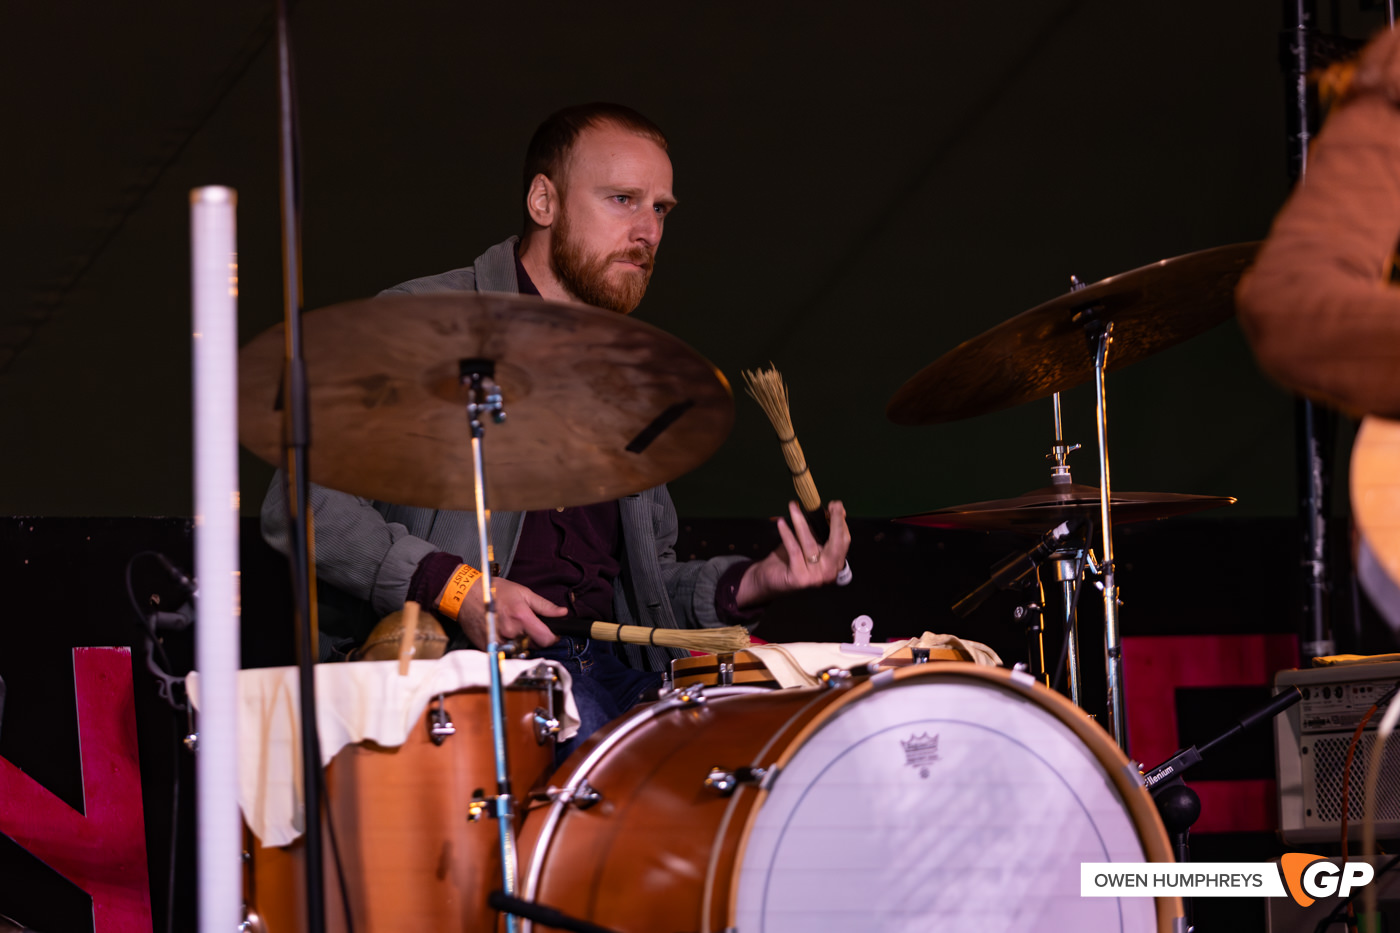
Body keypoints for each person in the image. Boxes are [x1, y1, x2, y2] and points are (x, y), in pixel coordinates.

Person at [262, 103, 851, 744]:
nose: (648, 231)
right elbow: (303, 507)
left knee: (783, 739)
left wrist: (753, 582)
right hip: (467, 673)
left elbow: (646, 591)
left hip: (610, 671)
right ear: (543, 201)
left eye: (660, 209)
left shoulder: (632, 377)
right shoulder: (420, 321)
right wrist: (458, 589)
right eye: (622, 200)